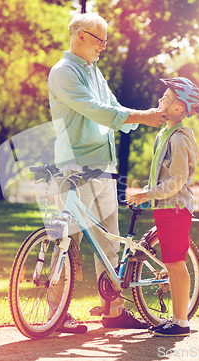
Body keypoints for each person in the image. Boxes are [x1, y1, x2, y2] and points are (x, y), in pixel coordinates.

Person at [47, 12, 167, 334]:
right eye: (100, 40)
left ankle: (113, 310)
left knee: (108, 239)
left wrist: (143, 117)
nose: (104, 47)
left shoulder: (94, 72)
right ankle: (56, 314)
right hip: (74, 166)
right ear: (81, 36)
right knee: (66, 239)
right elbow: (96, 110)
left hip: (103, 166)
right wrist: (142, 116)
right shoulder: (63, 73)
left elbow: (112, 105)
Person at [128, 77, 199, 337]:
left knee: (175, 265)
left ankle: (181, 322)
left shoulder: (180, 139)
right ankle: (177, 318)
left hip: (174, 207)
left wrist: (148, 193)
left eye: (167, 97)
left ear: (180, 108)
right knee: (171, 263)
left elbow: (177, 179)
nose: (161, 99)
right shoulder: (166, 132)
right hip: (165, 207)